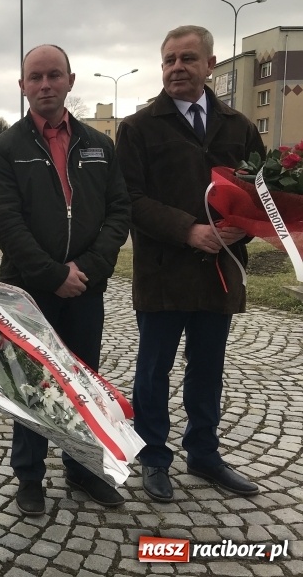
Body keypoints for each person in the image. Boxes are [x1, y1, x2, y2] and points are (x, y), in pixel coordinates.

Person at [115, 25, 265, 503]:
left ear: (210, 65)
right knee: (153, 371)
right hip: (163, 273)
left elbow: (262, 192)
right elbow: (130, 199)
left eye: (187, 59)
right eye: (169, 60)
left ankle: (204, 453)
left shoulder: (239, 126)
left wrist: (244, 226)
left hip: (220, 272)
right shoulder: (138, 127)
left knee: (208, 368)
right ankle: (154, 458)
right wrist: (188, 230)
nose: (177, 68)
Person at [0, 44, 131, 515]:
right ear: (22, 86)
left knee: (83, 382)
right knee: (30, 384)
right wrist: (53, 275)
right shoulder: (6, 148)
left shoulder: (99, 145)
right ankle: (29, 476)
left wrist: (85, 270)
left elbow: (119, 212)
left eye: (54, 75)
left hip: (85, 289)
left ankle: (83, 469)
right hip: (30, 292)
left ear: (70, 80)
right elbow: (7, 224)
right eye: (35, 77)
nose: (45, 84)